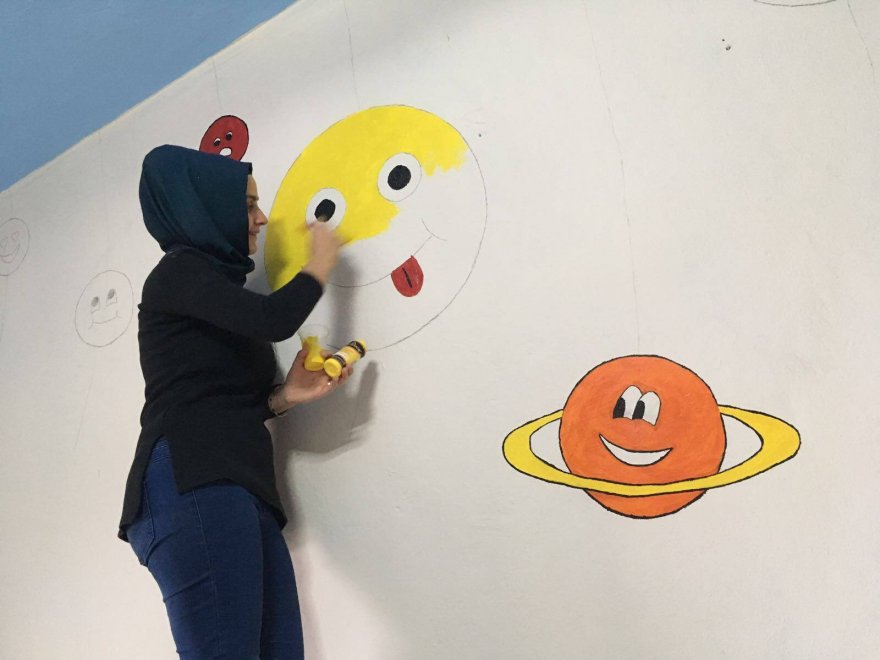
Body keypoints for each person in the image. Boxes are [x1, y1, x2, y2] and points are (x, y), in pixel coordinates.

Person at [117, 144, 349, 659]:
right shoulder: (177, 273)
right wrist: (320, 264)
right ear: (203, 207)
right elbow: (274, 320)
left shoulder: (213, 295)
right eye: (248, 205)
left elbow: (219, 397)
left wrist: (284, 397)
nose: (261, 219)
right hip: (192, 480)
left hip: (235, 485)